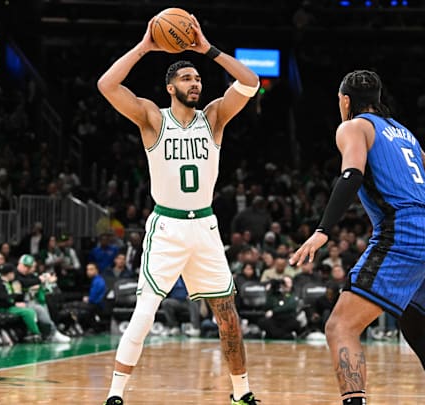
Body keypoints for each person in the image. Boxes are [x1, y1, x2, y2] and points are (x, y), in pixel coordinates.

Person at [97, 13, 260, 405]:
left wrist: (208, 50)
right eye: (187, 78)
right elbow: (107, 85)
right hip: (167, 227)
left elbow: (250, 83)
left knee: (228, 316)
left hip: (204, 227)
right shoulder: (153, 119)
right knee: (146, 311)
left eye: (198, 79)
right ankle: (115, 394)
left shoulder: (215, 117)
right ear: (170, 87)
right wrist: (145, 45)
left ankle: (242, 393)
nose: (195, 84)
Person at [289, 70, 425, 405]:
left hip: (405, 232)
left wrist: (322, 231)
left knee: (340, 327)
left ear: (345, 101)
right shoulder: (405, 134)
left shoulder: (353, 126)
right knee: (416, 329)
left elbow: (352, 174)